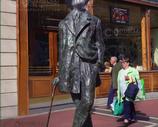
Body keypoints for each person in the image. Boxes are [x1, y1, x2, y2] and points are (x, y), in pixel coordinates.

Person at [52, 0, 105, 127]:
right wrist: (60, 74)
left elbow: (100, 44)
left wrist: (98, 64)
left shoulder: (94, 21)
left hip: (88, 65)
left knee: (87, 102)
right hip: (71, 68)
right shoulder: (63, 24)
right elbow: (62, 50)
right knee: (80, 106)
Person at [117, 56, 140, 125]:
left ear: (128, 63)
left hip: (129, 90)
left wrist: (129, 78)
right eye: (122, 62)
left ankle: (126, 118)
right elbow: (118, 82)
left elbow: (137, 79)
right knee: (130, 104)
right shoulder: (120, 71)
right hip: (122, 91)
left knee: (126, 104)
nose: (122, 64)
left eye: (124, 62)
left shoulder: (133, 70)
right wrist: (118, 90)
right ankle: (133, 117)